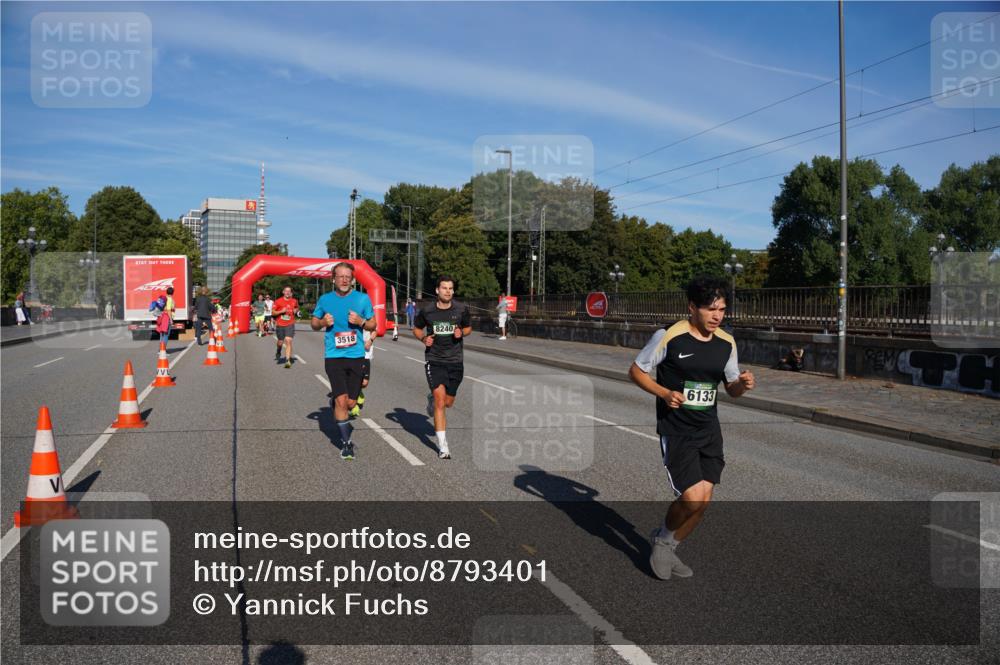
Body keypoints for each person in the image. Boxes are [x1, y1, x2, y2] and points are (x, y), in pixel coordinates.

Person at [628, 275, 756, 581]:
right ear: (691, 307)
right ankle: (662, 540)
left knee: (704, 501)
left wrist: (742, 384)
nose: (717, 316)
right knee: (691, 499)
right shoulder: (670, 335)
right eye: (711, 309)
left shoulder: (726, 343)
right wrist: (664, 393)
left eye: (722, 310)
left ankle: (668, 546)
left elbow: (731, 389)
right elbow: (636, 371)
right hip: (677, 429)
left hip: (708, 428)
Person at [311, 262, 376, 460]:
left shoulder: (362, 299)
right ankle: (346, 443)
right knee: (341, 400)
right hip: (334, 356)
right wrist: (322, 322)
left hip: (356, 356)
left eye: (348, 276)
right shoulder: (325, 299)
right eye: (340, 276)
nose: (345, 279)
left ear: (353, 279)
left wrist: (362, 322)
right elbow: (314, 323)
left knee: (350, 403)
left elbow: (374, 324)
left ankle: (338, 403)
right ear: (333, 279)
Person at [413, 276, 472, 460]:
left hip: (455, 361)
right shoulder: (427, 311)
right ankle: (443, 447)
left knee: (448, 403)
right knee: (440, 402)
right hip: (434, 359)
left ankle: (432, 398)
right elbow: (416, 328)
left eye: (450, 288)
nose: (448, 291)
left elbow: (469, 328)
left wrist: (461, 332)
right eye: (444, 288)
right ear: (437, 290)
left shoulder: (461, 309)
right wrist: (423, 339)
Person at [350, 328, 375, 418]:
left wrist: (370, 340)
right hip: (352, 352)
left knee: (364, 383)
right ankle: (354, 407)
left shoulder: (369, 315)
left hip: (366, 353)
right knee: (351, 379)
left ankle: (358, 391)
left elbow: (375, 331)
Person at [272, 286, 299, 368]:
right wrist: (281, 311)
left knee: (288, 341)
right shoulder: (278, 301)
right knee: (280, 342)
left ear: (291, 293)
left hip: (290, 324)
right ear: (283, 292)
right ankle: (278, 350)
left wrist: (296, 310)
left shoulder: (294, 301)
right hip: (280, 324)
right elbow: (273, 313)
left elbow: (297, 307)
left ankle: (287, 361)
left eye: (289, 291)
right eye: (286, 291)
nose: (287, 292)